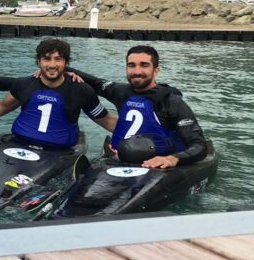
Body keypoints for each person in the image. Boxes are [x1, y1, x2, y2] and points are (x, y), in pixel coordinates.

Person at [69, 45, 207, 168]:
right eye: (131, 65)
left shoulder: (171, 101)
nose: (137, 71)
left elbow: (199, 146)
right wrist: (65, 72)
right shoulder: (120, 91)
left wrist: (173, 159)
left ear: (156, 70)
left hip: (156, 165)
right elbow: (96, 82)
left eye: (144, 65)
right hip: (118, 159)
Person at [0, 38, 117, 147]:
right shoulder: (23, 84)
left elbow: (107, 121)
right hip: (20, 144)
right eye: (47, 58)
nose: (52, 65)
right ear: (38, 61)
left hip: (59, 153)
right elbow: (2, 107)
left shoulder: (81, 90)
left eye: (58, 59)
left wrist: (134, 135)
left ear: (66, 62)